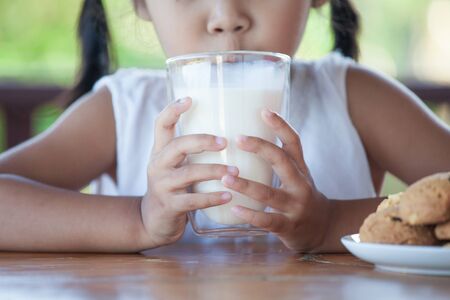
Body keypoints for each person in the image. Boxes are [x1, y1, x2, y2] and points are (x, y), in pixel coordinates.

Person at [0, 0, 449, 253]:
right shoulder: (122, 109)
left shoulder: (353, 97)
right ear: (141, 4)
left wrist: (329, 222)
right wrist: (138, 219)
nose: (226, 14)